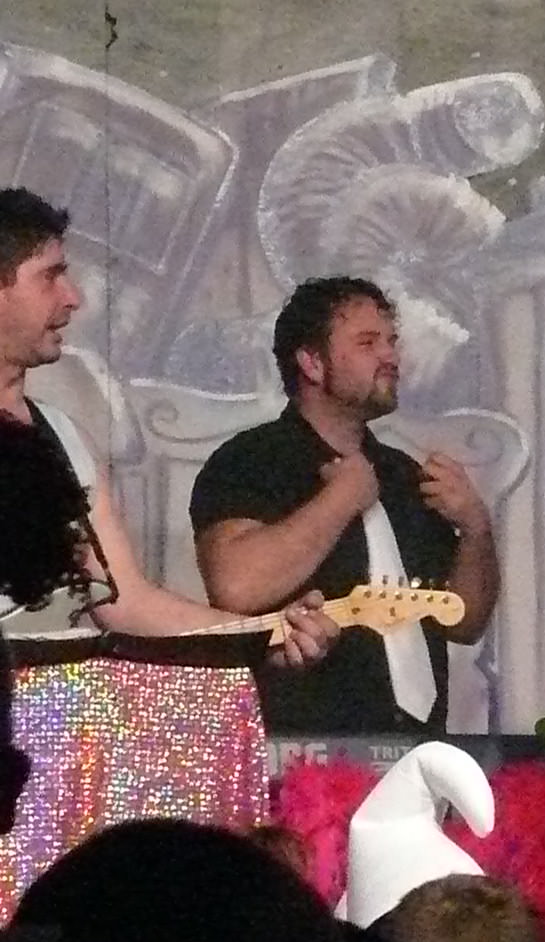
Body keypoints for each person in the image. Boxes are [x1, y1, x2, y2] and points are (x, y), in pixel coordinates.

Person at [0, 188, 332, 663]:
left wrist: (265, 634)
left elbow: (126, 603)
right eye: (50, 276)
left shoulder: (64, 438)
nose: (73, 298)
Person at [190, 275, 500, 734]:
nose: (391, 357)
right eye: (368, 343)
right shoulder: (251, 459)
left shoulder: (404, 474)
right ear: (312, 363)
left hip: (419, 749)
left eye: (391, 341)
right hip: (304, 749)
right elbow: (236, 586)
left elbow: (464, 620)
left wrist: (476, 528)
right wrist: (342, 497)